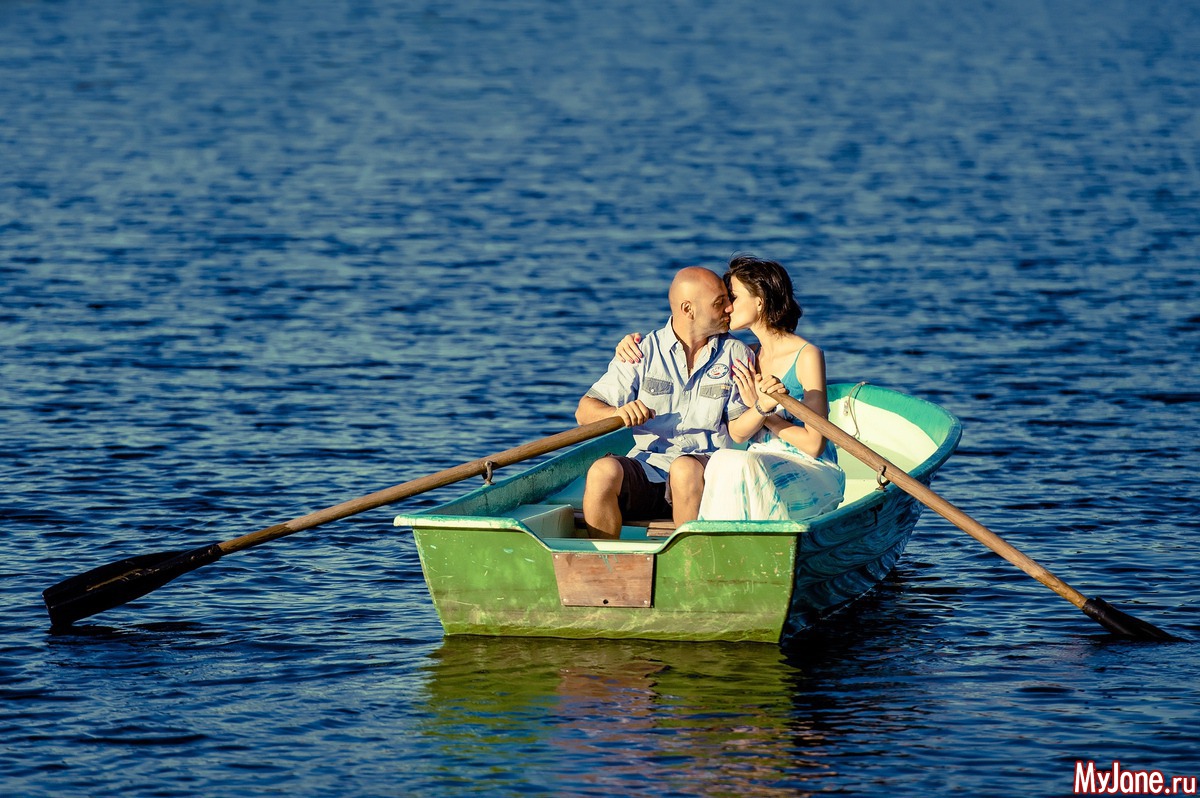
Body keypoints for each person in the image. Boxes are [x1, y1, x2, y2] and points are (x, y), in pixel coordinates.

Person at [614, 255, 845, 522]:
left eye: (733, 297)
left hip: (806, 467)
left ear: (759, 301)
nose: (728, 307)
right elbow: (736, 432)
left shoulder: (806, 355)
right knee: (726, 462)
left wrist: (765, 412)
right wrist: (627, 344)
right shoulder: (747, 355)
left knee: (733, 464)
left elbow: (814, 444)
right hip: (759, 460)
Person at [575, 266, 774, 538]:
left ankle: (691, 559)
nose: (729, 308)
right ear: (688, 309)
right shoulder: (640, 351)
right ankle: (605, 560)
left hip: (704, 476)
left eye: (728, 300)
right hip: (649, 469)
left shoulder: (736, 353)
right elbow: (584, 412)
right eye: (720, 303)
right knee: (602, 471)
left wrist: (762, 405)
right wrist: (619, 412)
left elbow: (739, 427)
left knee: (684, 469)